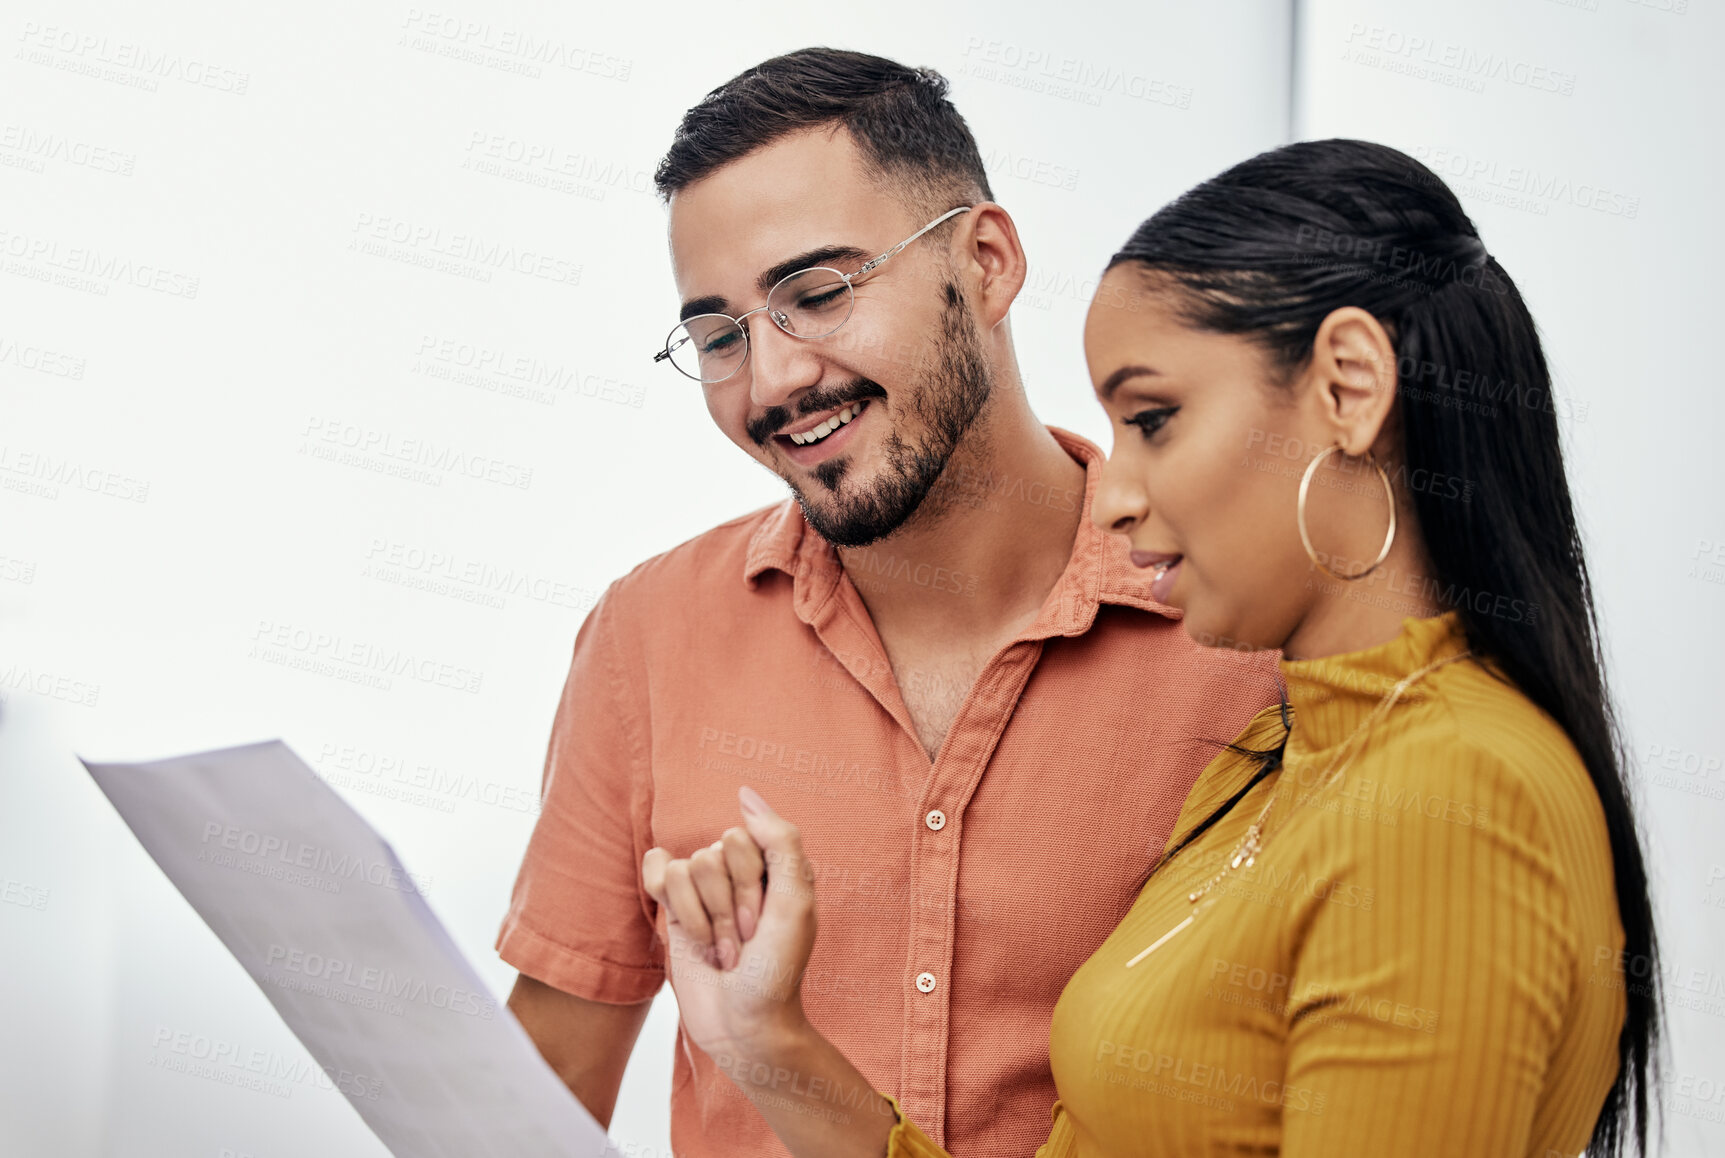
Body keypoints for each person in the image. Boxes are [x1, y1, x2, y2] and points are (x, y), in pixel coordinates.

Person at [642, 138, 1663, 1157]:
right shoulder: (1280, 756)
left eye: (1155, 420)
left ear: (1351, 388)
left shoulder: (1457, 801)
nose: (1118, 497)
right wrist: (765, 1042)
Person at [495, 48, 1280, 1158]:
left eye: (816, 295)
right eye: (719, 336)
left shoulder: (1251, 641)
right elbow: (515, 1117)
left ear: (989, 264)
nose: (770, 383)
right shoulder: (649, 637)